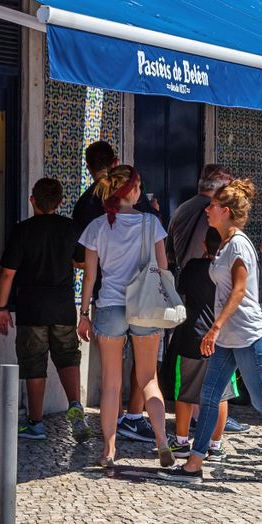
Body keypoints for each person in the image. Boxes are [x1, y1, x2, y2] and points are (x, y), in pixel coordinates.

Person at [165, 179, 262, 485]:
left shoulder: (239, 245)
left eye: (213, 206)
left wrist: (214, 328)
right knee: (208, 396)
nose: (208, 210)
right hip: (230, 338)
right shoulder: (227, 244)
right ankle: (193, 464)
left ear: (226, 211)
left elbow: (240, 291)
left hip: (247, 336)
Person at [77, 164, 172, 469]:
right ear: (131, 190)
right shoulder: (151, 223)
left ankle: (108, 449)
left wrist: (83, 314)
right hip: (145, 308)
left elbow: (90, 277)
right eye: (139, 184)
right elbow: (163, 268)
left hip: (109, 308)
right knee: (148, 378)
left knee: (111, 384)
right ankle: (161, 439)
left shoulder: (97, 227)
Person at [0, 177, 90, 442]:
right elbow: (81, 262)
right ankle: (74, 405)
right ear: (60, 203)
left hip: (32, 308)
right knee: (68, 356)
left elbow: (7, 274)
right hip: (62, 306)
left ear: (32, 200)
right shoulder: (71, 228)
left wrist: (1, 308)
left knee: (34, 363)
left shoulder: (22, 231)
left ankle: (35, 423)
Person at [71, 142, 152, 445]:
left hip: (105, 296)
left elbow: (80, 261)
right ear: (117, 162)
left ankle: (115, 427)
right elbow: (160, 257)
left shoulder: (83, 206)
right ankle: (136, 417)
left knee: (111, 369)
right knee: (146, 368)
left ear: (87, 165)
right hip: (144, 296)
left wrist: (83, 311)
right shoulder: (138, 202)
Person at [165, 227, 236, 459]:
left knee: (184, 392)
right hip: (221, 340)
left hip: (192, 338)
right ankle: (215, 445)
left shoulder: (193, 268)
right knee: (221, 394)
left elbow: (181, 293)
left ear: (204, 245)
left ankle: (182, 441)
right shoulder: (229, 270)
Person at [166, 164, 232, 272]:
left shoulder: (181, 209)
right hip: (206, 277)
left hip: (183, 278)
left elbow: (169, 252)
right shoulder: (216, 211)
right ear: (220, 188)